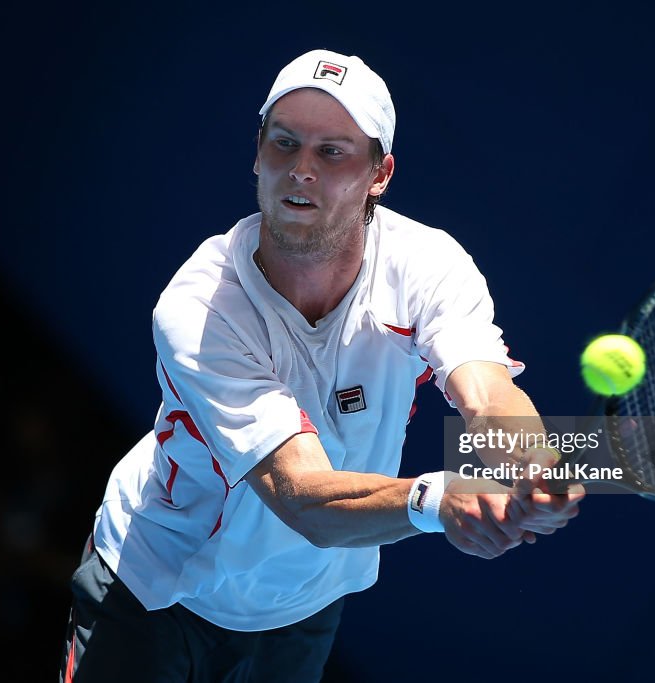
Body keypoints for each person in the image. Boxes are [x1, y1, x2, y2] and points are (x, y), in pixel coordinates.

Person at [60, 48, 584, 682]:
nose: (301, 170)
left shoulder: (428, 265)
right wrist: (438, 498)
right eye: (284, 144)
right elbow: (301, 495)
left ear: (380, 173)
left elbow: (486, 393)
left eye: (332, 152)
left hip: (303, 606)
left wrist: (529, 465)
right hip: (156, 593)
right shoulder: (201, 308)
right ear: (257, 154)